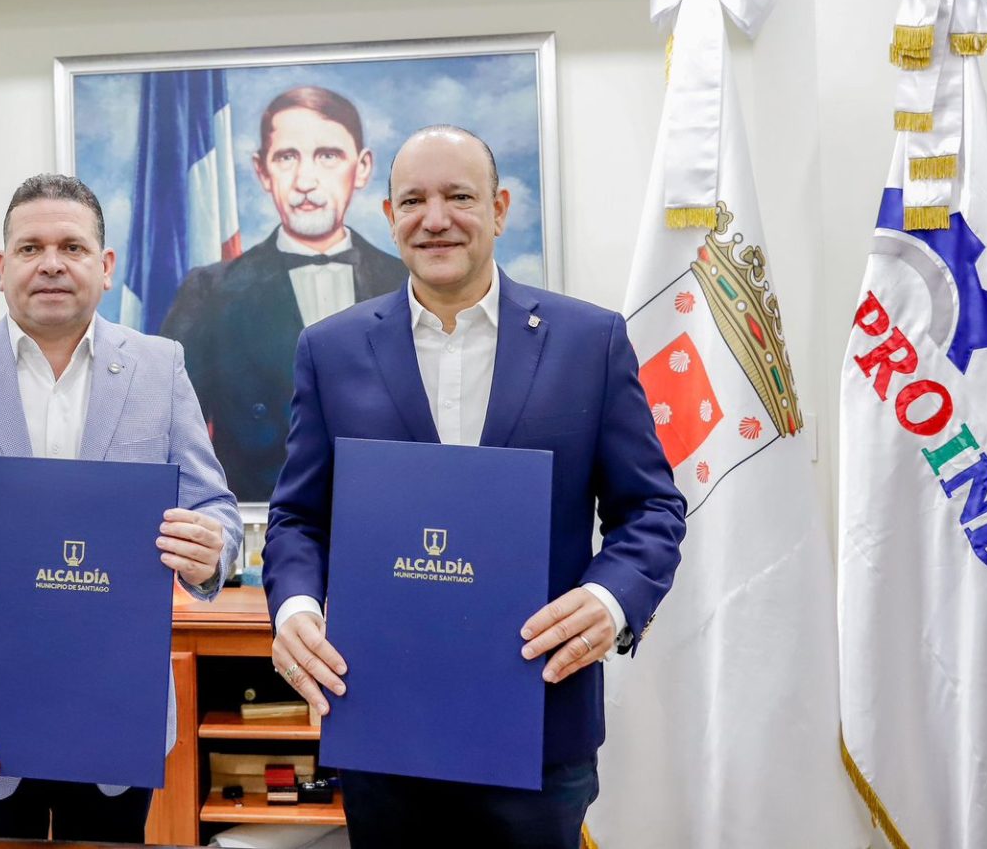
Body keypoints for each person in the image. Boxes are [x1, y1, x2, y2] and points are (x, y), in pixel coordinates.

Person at [262, 126, 687, 848]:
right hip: (381, 726)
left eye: (459, 196)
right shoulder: (328, 351)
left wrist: (609, 599)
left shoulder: (592, 342)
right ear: (388, 213)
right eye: (414, 200)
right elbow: (298, 516)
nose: (436, 218)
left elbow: (651, 509)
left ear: (499, 207)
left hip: (541, 726)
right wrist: (295, 609)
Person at [0, 173, 241, 841]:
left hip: (117, 716)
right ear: (1, 267)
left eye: (72, 245)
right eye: (31, 247)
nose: (52, 263)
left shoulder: (160, 366)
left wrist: (211, 553)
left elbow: (212, 504)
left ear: (106, 265)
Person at [161, 86, 406, 502]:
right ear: (262, 171)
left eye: (327, 155)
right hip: (256, 527)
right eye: (286, 157)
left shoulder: (408, 284)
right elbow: (168, 437)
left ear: (362, 168)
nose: (306, 181)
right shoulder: (209, 293)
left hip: (391, 515)